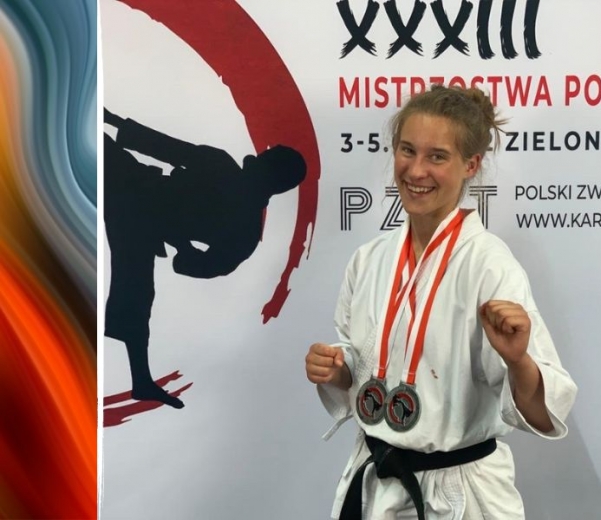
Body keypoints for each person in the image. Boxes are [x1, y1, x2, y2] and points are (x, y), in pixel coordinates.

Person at [305, 85, 577, 519]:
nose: (416, 170)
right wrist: (339, 369)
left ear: (471, 164)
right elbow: (363, 362)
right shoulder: (369, 259)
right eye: (407, 150)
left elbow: (543, 413)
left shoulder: (489, 265)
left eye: (437, 157)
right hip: (377, 482)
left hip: (460, 494)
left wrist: (518, 359)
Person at [104, 109, 306, 408]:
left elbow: (165, 147)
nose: (261, 155)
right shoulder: (246, 226)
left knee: (135, 293)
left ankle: (140, 380)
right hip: (131, 192)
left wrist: (182, 246)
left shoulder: (239, 210)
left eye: (268, 156)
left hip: (137, 213)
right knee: (135, 293)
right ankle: (141, 380)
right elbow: (165, 146)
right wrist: (110, 120)